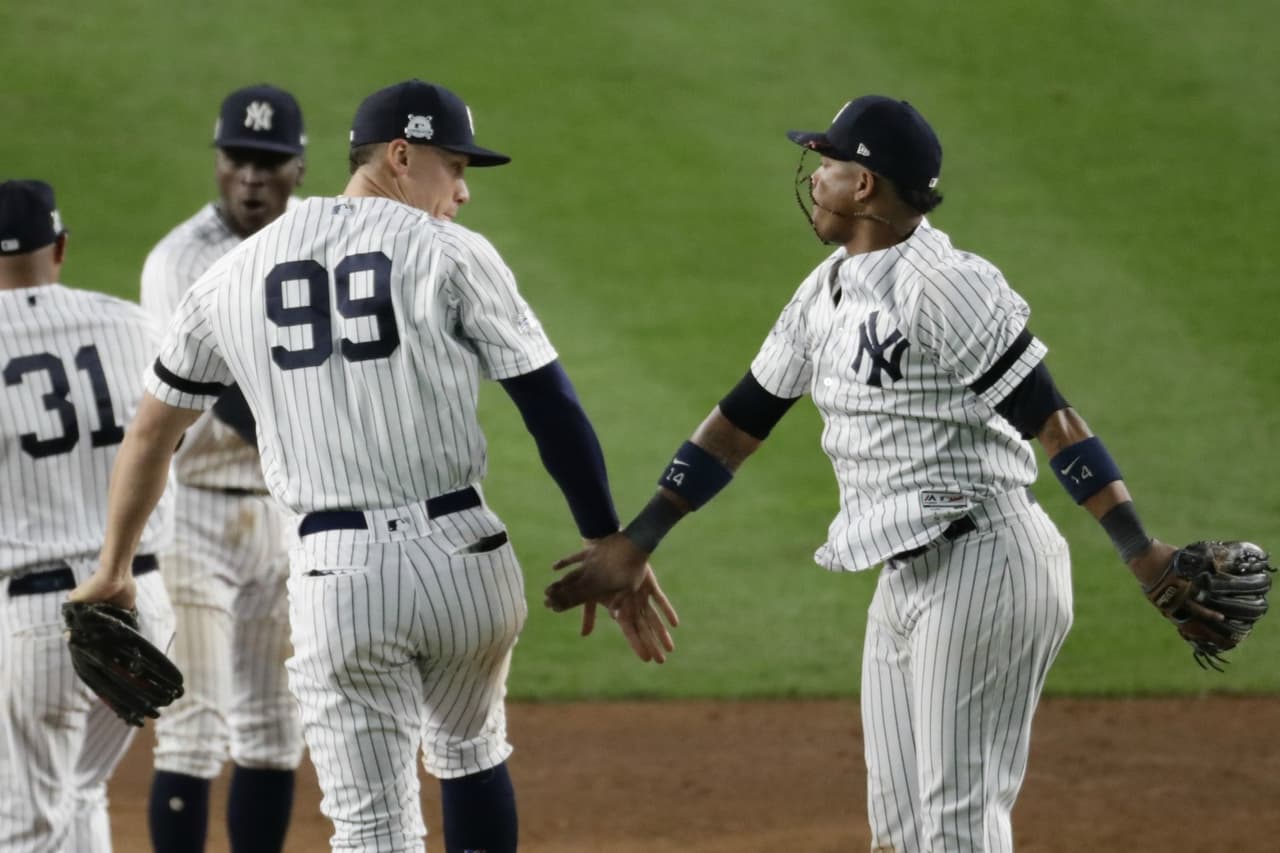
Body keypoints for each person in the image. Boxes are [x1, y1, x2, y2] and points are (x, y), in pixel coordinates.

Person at [544, 95, 1201, 852]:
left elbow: (1054, 420)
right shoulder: (826, 287)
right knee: (898, 834)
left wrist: (1139, 549)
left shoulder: (946, 285)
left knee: (955, 826)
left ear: (864, 185)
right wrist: (639, 539)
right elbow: (739, 423)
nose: (812, 178)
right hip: (904, 576)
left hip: (987, 561)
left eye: (825, 163)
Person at [69, 79, 674, 853]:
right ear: (400, 156)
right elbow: (551, 403)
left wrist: (117, 563)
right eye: (455, 167)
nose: (462, 191)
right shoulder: (454, 253)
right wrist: (605, 540)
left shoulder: (232, 273)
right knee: (472, 753)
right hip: (467, 562)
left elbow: (153, 429)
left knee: (372, 827)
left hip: (337, 576)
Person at [139, 84, 307, 853]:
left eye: (269, 162)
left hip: (283, 513)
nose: (251, 178)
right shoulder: (181, 262)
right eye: (239, 159)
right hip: (194, 515)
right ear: (218, 160)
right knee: (192, 725)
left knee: (276, 726)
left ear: (299, 166)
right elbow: (221, 400)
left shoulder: (315, 245)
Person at [0, 179, 176, 852]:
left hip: (37, 620)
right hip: (143, 606)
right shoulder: (131, 323)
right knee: (78, 793)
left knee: (23, 826)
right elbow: (173, 436)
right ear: (60, 248)